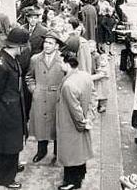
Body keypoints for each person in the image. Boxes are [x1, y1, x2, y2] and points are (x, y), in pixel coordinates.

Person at [0, 27, 30, 189]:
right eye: (24, 46)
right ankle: (5, 178)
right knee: (7, 144)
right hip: (5, 111)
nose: (25, 49)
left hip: (13, 109)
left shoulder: (9, 58)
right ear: (18, 46)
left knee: (14, 141)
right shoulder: (1, 65)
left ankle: (12, 166)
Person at [26, 30, 65, 163]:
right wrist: (33, 89)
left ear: (57, 46)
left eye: (50, 43)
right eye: (45, 42)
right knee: (41, 126)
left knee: (57, 125)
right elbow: (29, 77)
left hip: (57, 98)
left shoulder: (63, 59)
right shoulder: (35, 59)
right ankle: (41, 151)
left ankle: (57, 152)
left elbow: (69, 77)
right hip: (40, 97)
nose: (46, 45)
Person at [56, 53, 94, 190]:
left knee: (70, 155)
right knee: (79, 153)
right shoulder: (85, 76)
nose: (60, 65)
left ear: (67, 64)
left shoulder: (68, 84)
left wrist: (81, 124)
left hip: (70, 125)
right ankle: (80, 175)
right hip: (82, 120)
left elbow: (75, 109)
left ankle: (71, 182)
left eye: (61, 62)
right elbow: (92, 98)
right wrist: (89, 118)